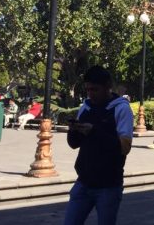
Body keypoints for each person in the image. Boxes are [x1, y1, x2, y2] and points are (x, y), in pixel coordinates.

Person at [64, 66, 133, 225]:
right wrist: (74, 130)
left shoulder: (121, 109)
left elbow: (124, 147)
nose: (90, 94)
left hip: (108, 185)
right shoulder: (86, 108)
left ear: (108, 86)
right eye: (88, 89)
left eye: (95, 89)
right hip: (84, 181)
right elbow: (74, 144)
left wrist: (94, 131)